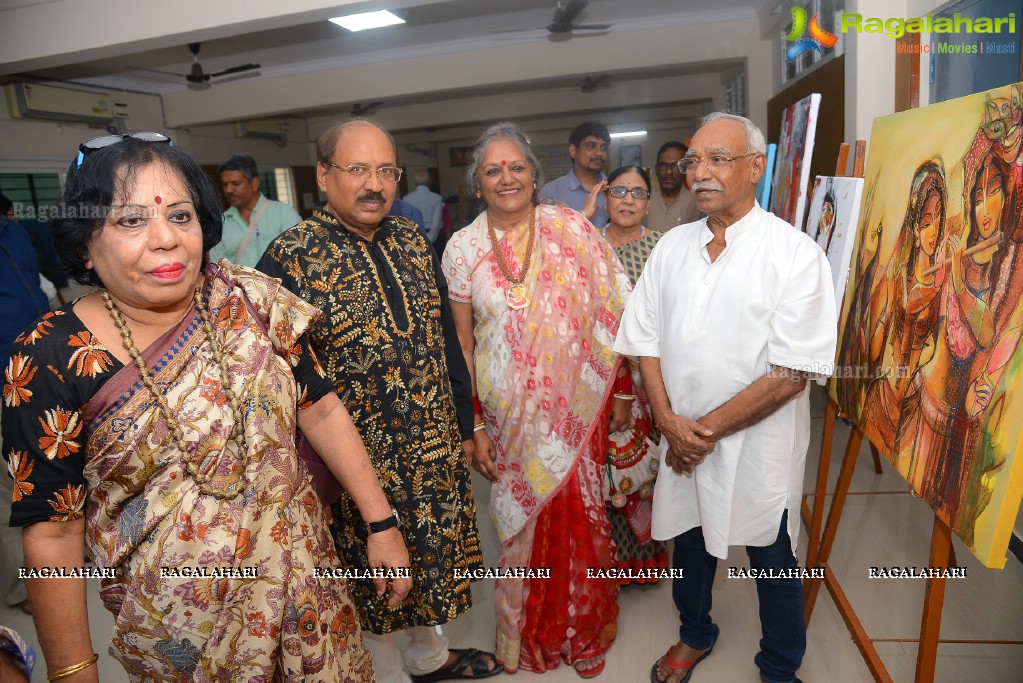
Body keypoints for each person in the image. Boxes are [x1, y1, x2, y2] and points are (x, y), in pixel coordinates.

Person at [2, 132, 413, 682]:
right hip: (180, 635)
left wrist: (380, 522)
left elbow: (320, 408)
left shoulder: (250, 300)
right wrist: (74, 670)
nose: (166, 239)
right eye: (130, 221)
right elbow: (52, 531)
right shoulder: (48, 358)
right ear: (83, 245)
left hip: (308, 595)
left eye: (180, 214)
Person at [256, 119, 500, 683]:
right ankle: (383, 672)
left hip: (432, 450)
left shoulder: (412, 240)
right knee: (371, 589)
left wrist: (464, 424)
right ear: (323, 175)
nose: (375, 184)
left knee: (430, 567)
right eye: (357, 169)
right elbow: (276, 381)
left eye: (386, 171)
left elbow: (443, 342)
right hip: (355, 468)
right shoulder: (288, 260)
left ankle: (431, 658)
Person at [613, 112, 836, 683]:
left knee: (772, 557)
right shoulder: (672, 248)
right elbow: (644, 338)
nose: (700, 173)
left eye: (719, 159)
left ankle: (781, 666)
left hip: (755, 445)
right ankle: (695, 634)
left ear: (755, 167)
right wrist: (666, 420)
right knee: (691, 546)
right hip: (681, 438)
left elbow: (792, 372)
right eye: (693, 161)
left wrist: (699, 432)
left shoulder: (796, 255)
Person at [442, 122, 633, 678]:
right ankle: (530, 634)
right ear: (477, 184)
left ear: (534, 175)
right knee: (522, 527)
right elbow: (462, 343)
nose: (506, 177)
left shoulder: (572, 229)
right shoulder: (463, 249)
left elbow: (615, 311)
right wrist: (471, 422)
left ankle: (586, 627)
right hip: (508, 422)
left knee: (580, 520)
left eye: (517, 166)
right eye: (492, 170)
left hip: (578, 409)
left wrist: (619, 388)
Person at [592, 165, 669, 582]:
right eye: (618, 191)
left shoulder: (663, 248)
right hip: (600, 380)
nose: (627, 200)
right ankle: (611, 561)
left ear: (648, 202)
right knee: (608, 471)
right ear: (605, 198)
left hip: (652, 379)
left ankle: (646, 559)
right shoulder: (585, 246)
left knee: (644, 473)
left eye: (637, 193)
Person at [0, 203, 50, 619]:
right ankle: (24, 588)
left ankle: (62, 563)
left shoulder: (16, 231)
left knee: (51, 466)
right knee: (10, 485)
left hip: (37, 370)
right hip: (0, 377)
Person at [208, 154, 302, 267]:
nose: (229, 190)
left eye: (236, 184)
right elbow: (218, 269)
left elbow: (300, 256)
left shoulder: (284, 214)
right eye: (225, 184)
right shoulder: (220, 224)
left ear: (254, 184)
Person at [538, 121, 611, 226]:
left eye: (603, 148)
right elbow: (547, 234)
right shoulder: (551, 191)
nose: (599, 153)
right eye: (591, 146)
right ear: (573, 151)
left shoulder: (614, 190)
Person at [646, 142, 700, 231]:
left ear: (686, 169)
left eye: (675, 166)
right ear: (656, 169)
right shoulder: (643, 198)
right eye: (664, 166)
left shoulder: (696, 202)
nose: (669, 172)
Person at [403, 169, 444, 243]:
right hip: (435, 236)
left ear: (415, 181)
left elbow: (406, 221)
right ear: (429, 181)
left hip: (415, 234)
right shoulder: (436, 198)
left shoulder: (406, 199)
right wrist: (431, 238)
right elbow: (436, 221)